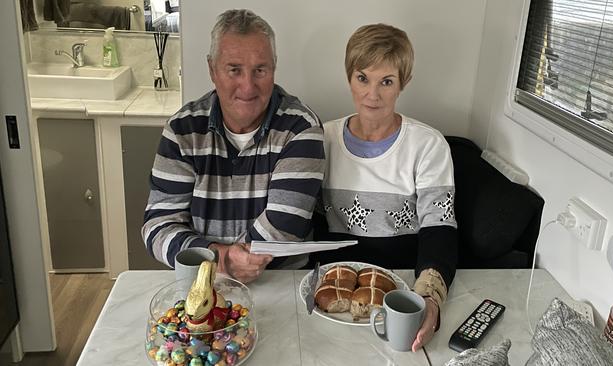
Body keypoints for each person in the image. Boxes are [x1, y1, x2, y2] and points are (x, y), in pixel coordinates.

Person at [143, 9, 325, 283]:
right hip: (201, 281)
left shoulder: (300, 127)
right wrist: (218, 258)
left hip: (282, 283)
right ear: (212, 69)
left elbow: (285, 223)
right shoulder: (182, 129)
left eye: (260, 70)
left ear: (274, 68)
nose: (248, 86)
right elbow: (158, 224)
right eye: (234, 70)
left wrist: (227, 260)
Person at [313, 24, 458, 351]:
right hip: (333, 294)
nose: (372, 95)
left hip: (403, 287)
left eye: (386, 82)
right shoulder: (323, 138)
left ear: (403, 83)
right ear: (349, 76)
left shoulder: (427, 145)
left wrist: (429, 301)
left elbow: (440, 228)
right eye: (362, 78)